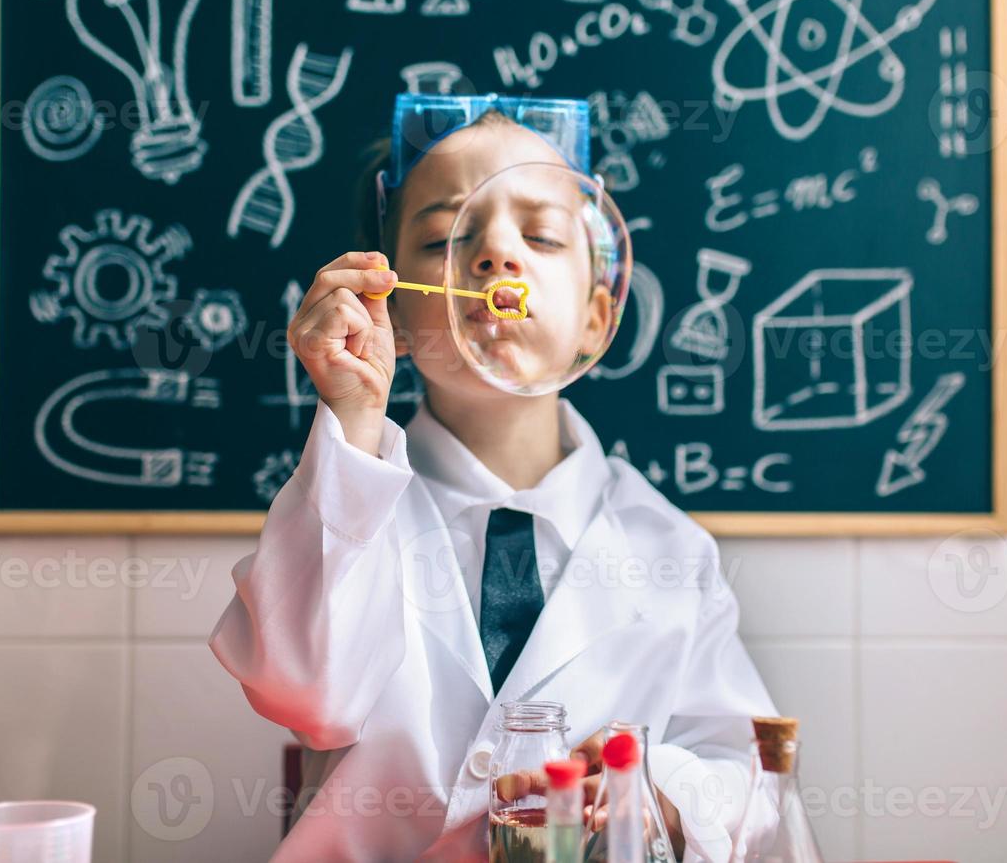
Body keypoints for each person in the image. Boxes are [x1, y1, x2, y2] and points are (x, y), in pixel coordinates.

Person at [210, 95, 775, 861]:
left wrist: (653, 789)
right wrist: (351, 419)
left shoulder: (672, 550)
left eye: (540, 235)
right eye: (445, 236)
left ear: (595, 320)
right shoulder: (345, 500)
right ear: (394, 314)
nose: (496, 256)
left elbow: (745, 777)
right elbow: (304, 690)